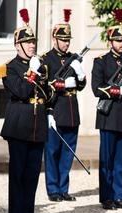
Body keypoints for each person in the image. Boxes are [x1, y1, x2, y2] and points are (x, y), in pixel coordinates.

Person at [0, 9, 51, 213]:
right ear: (17, 46)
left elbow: (48, 95)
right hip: (19, 124)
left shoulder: (40, 65)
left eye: (33, 43)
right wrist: (32, 74)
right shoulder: (9, 68)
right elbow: (20, 91)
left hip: (38, 125)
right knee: (18, 172)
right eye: (27, 43)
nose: (32, 46)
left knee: (32, 173)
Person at [91, 9, 122, 210]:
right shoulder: (101, 61)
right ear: (110, 42)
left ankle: (118, 195)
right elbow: (97, 88)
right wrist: (118, 90)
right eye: (118, 40)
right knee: (107, 160)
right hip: (109, 115)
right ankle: (107, 197)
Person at [43, 9, 87, 202]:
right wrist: (61, 85)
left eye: (68, 40)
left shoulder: (73, 58)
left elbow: (82, 86)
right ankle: (53, 189)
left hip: (71, 110)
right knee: (52, 151)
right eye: (63, 40)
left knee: (68, 152)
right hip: (55, 109)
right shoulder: (46, 59)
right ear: (55, 39)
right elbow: (45, 86)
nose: (66, 43)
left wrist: (80, 75)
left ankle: (63, 188)